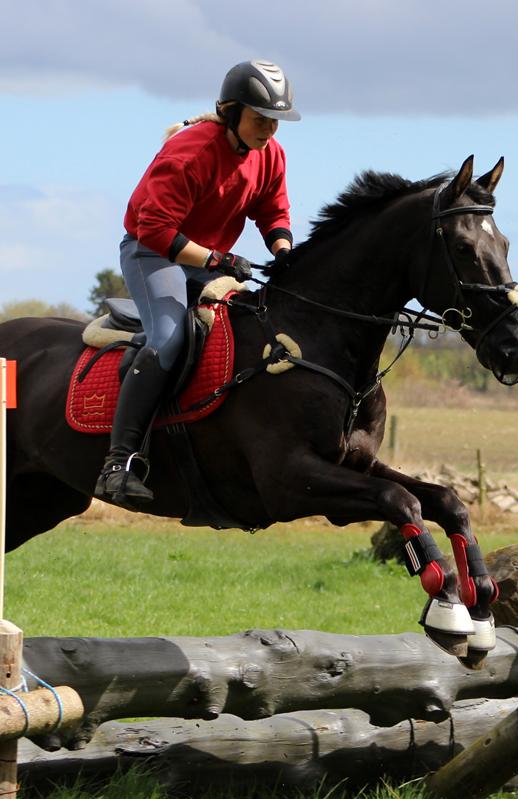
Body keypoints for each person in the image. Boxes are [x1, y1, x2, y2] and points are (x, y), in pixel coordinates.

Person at [95, 59, 300, 507]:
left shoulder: (271, 155)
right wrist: (219, 258)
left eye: (275, 122)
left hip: (208, 261)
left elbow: (273, 212)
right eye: (260, 120)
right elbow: (155, 230)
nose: (268, 130)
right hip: (152, 253)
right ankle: (118, 463)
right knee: (167, 339)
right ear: (231, 113)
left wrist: (285, 252)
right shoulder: (191, 151)